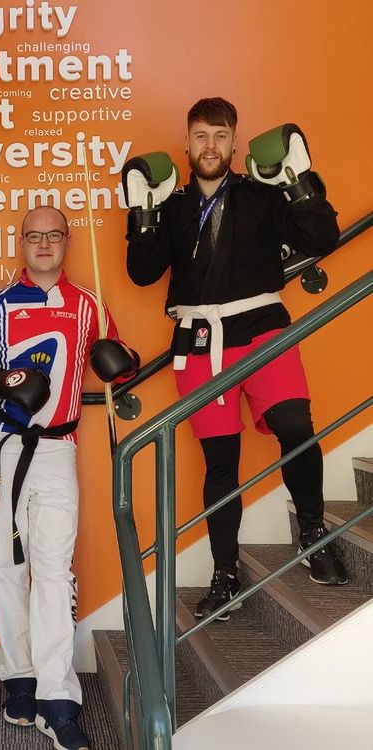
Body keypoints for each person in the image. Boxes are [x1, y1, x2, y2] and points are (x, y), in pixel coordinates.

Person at [124, 97, 347, 622]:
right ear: (187, 143)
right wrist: (144, 214)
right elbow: (140, 272)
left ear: (234, 143)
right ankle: (225, 572)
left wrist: (298, 179)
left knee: (296, 425)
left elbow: (323, 237)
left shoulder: (261, 194)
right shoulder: (173, 204)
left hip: (263, 328)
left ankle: (313, 535)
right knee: (220, 461)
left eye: (221, 136)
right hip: (200, 340)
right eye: (201, 135)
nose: (210, 146)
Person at [0, 206, 139, 750]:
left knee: (54, 572)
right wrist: (3, 378)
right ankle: (19, 675)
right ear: (22, 243)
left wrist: (119, 360)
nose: (42, 244)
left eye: (52, 235)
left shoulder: (89, 306)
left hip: (59, 446)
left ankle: (58, 699)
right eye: (33, 236)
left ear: (66, 242)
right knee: (2, 566)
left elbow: (122, 361)